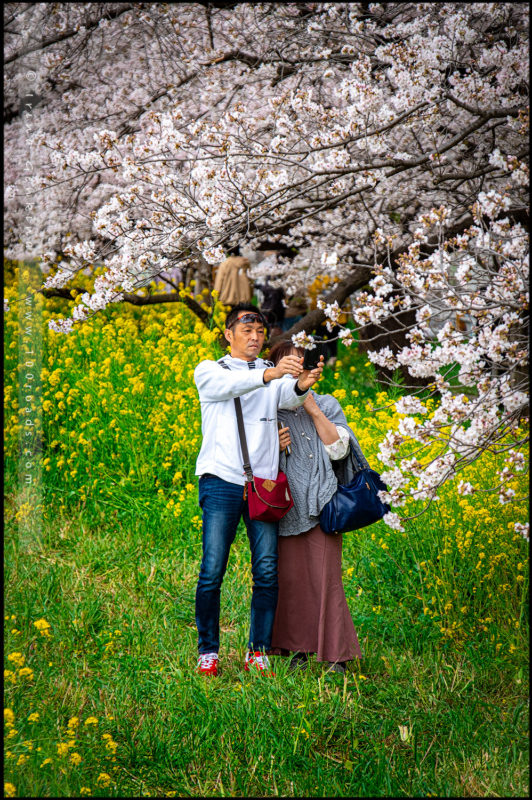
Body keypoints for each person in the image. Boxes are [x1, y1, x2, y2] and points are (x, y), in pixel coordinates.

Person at [193, 303, 324, 676]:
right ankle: (209, 651)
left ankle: (259, 650)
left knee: (266, 571)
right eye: (246, 331)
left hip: (263, 485)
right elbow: (230, 387)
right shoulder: (210, 371)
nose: (254, 338)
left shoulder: (271, 376)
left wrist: (302, 383)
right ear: (228, 335)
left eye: (260, 333)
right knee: (212, 569)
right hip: (221, 480)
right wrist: (270, 374)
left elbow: (288, 396)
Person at [268, 341, 364, 674]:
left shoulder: (327, 403)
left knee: (326, 580)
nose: (295, 371)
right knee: (292, 581)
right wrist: (271, 445)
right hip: (284, 505)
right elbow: (252, 461)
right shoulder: (268, 408)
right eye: (287, 365)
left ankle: (335, 654)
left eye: (300, 364)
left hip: (324, 502)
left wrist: (310, 406)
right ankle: (297, 651)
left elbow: (339, 451)